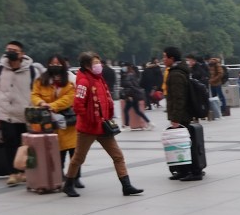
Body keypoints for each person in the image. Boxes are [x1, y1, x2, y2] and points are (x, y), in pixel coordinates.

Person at [62, 52, 143, 197]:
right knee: (79, 158)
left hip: (103, 127)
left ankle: (126, 186)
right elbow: (78, 106)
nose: (99, 66)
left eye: (99, 62)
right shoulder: (84, 82)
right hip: (88, 128)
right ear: (87, 66)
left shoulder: (99, 79)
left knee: (117, 155)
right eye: (95, 63)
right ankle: (68, 184)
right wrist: (91, 118)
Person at [0, 40, 44, 187]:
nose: (10, 52)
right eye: (8, 49)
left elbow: (38, 91)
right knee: (9, 142)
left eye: (14, 50)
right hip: (5, 113)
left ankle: (25, 171)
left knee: (25, 144)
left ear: (22, 54)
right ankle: (12, 173)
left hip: (25, 113)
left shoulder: (32, 70)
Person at [30, 55, 81, 184]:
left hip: (68, 121)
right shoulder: (41, 80)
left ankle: (76, 177)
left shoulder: (69, 80)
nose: (55, 66)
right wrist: (41, 103)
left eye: (58, 64)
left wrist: (52, 106)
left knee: (74, 152)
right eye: (52, 63)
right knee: (58, 153)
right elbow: (34, 94)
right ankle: (60, 175)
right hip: (49, 121)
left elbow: (70, 98)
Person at [162, 46, 203, 181]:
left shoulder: (176, 74)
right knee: (181, 144)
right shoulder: (178, 71)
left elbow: (179, 98)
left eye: (164, 57)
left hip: (181, 115)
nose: (163, 59)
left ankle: (195, 171)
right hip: (181, 114)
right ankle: (183, 170)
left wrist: (175, 118)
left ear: (171, 58)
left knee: (185, 144)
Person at [120, 63, 153, 129]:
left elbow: (129, 86)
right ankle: (149, 123)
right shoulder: (133, 74)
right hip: (135, 95)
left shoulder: (128, 75)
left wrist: (129, 95)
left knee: (126, 110)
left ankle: (126, 125)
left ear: (128, 67)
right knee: (137, 111)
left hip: (131, 96)